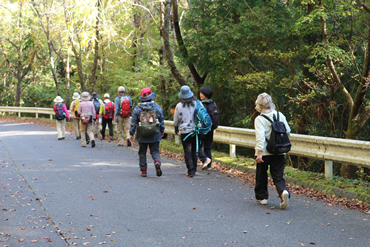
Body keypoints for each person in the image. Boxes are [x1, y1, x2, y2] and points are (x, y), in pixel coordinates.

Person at [254, 93, 290, 209]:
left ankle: (262, 198)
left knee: (261, 175)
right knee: (278, 176)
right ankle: (283, 191)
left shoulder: (260, 119)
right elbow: (288, 131)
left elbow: (260, 137)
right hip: (279, 151)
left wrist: (259, 153)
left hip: (265, 152)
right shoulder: (280, 115)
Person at [129, 88, 165, 177]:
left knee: (142, 152)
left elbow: (133, 122)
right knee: (155, 151)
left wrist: (131, 133)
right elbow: (161, 119)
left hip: (142, 133)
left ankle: (144, 170)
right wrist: (162, 130)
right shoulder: (156, 107)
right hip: (155, 132)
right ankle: (157, 162)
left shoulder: (137, 108)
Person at [174, 85, 200, 177]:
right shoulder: (197, 103)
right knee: (194, 150)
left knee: (187, 151)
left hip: (185, 131)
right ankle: (195, 169)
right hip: (196, 130)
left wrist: (176, 129)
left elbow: (176, 119)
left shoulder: (179, 106)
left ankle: (190, 171)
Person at [198, 86, 220, 170]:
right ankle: (209, 165)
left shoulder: (201, 105)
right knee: (207, 147)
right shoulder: (213, 104)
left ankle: (204, 160)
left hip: (202, 129)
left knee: (198, 146)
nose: (200, 95)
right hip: (210, 129)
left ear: (205, 94)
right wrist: (214, 127)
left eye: (201, 93)